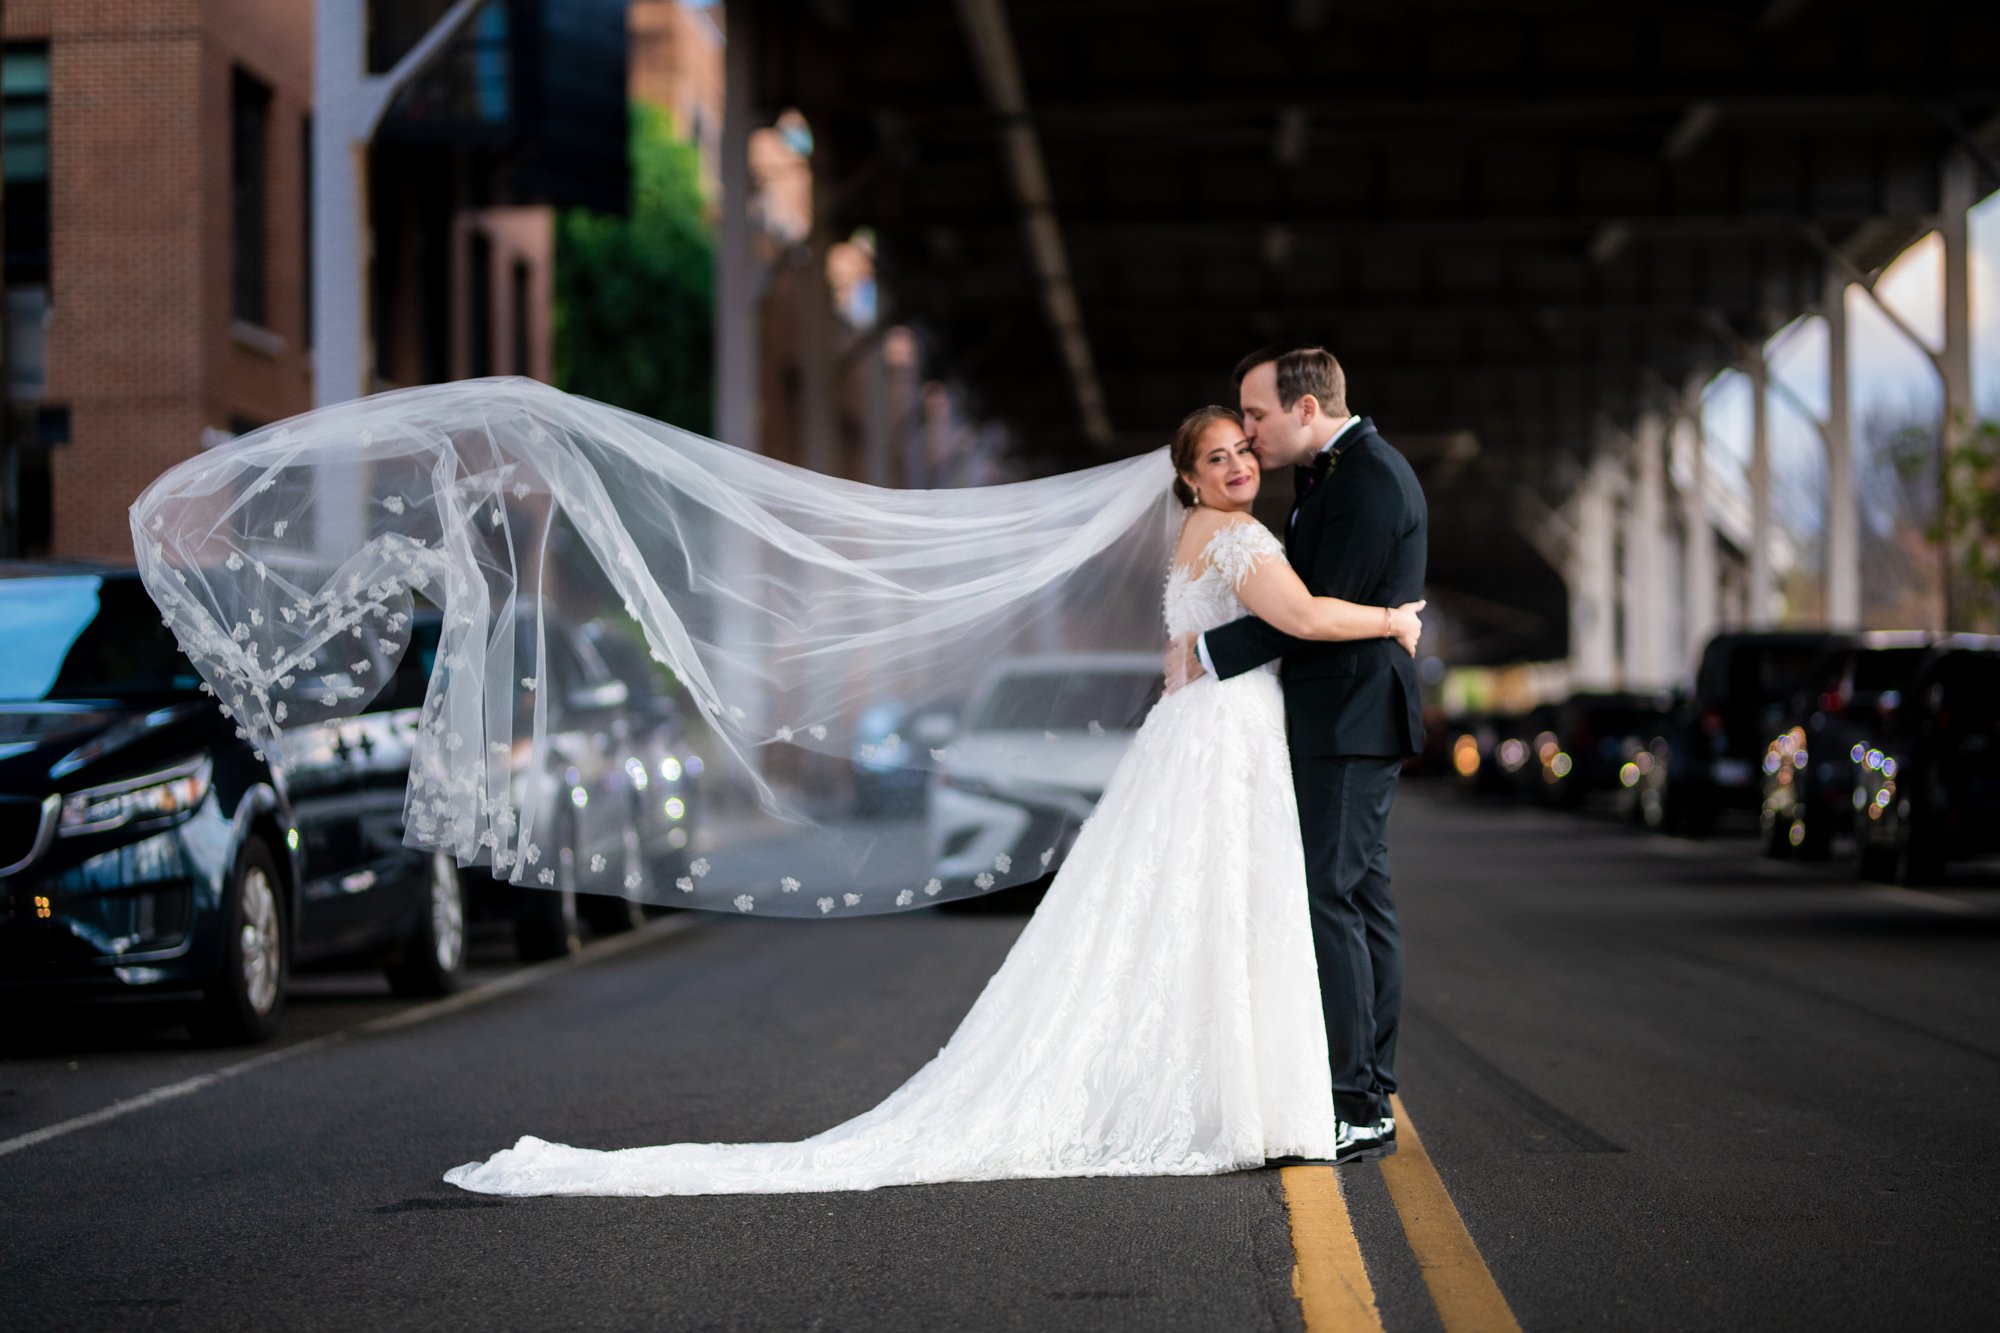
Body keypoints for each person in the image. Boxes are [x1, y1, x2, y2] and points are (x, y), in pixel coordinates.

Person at [438, 404, 1422, 1196]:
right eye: (1218, 455)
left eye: (1242, 448)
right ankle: (1245, 1099)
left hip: (1212, 731)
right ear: (1190, 478)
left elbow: (1253, 629)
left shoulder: (1214, 532)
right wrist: (1391, 616)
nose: (1238, 462)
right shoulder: (1231, 536)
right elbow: (1296, 616)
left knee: (1208, 916)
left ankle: (1240, 1095)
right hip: (1220, 741)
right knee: (1225, 912)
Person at [1165, 345, 1429, 1164]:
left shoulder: (1368, 481)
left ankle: (1360, 1101)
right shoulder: (1334, 476)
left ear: (1304, 410)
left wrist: (1205, 652)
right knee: (1357, 896)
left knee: (1334, 896)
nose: (1249, 434)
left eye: (1255, 418)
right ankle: (1363, 1084)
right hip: (1332, 716)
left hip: (1350, 717)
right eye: (1234, 431)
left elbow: (1309, 614)